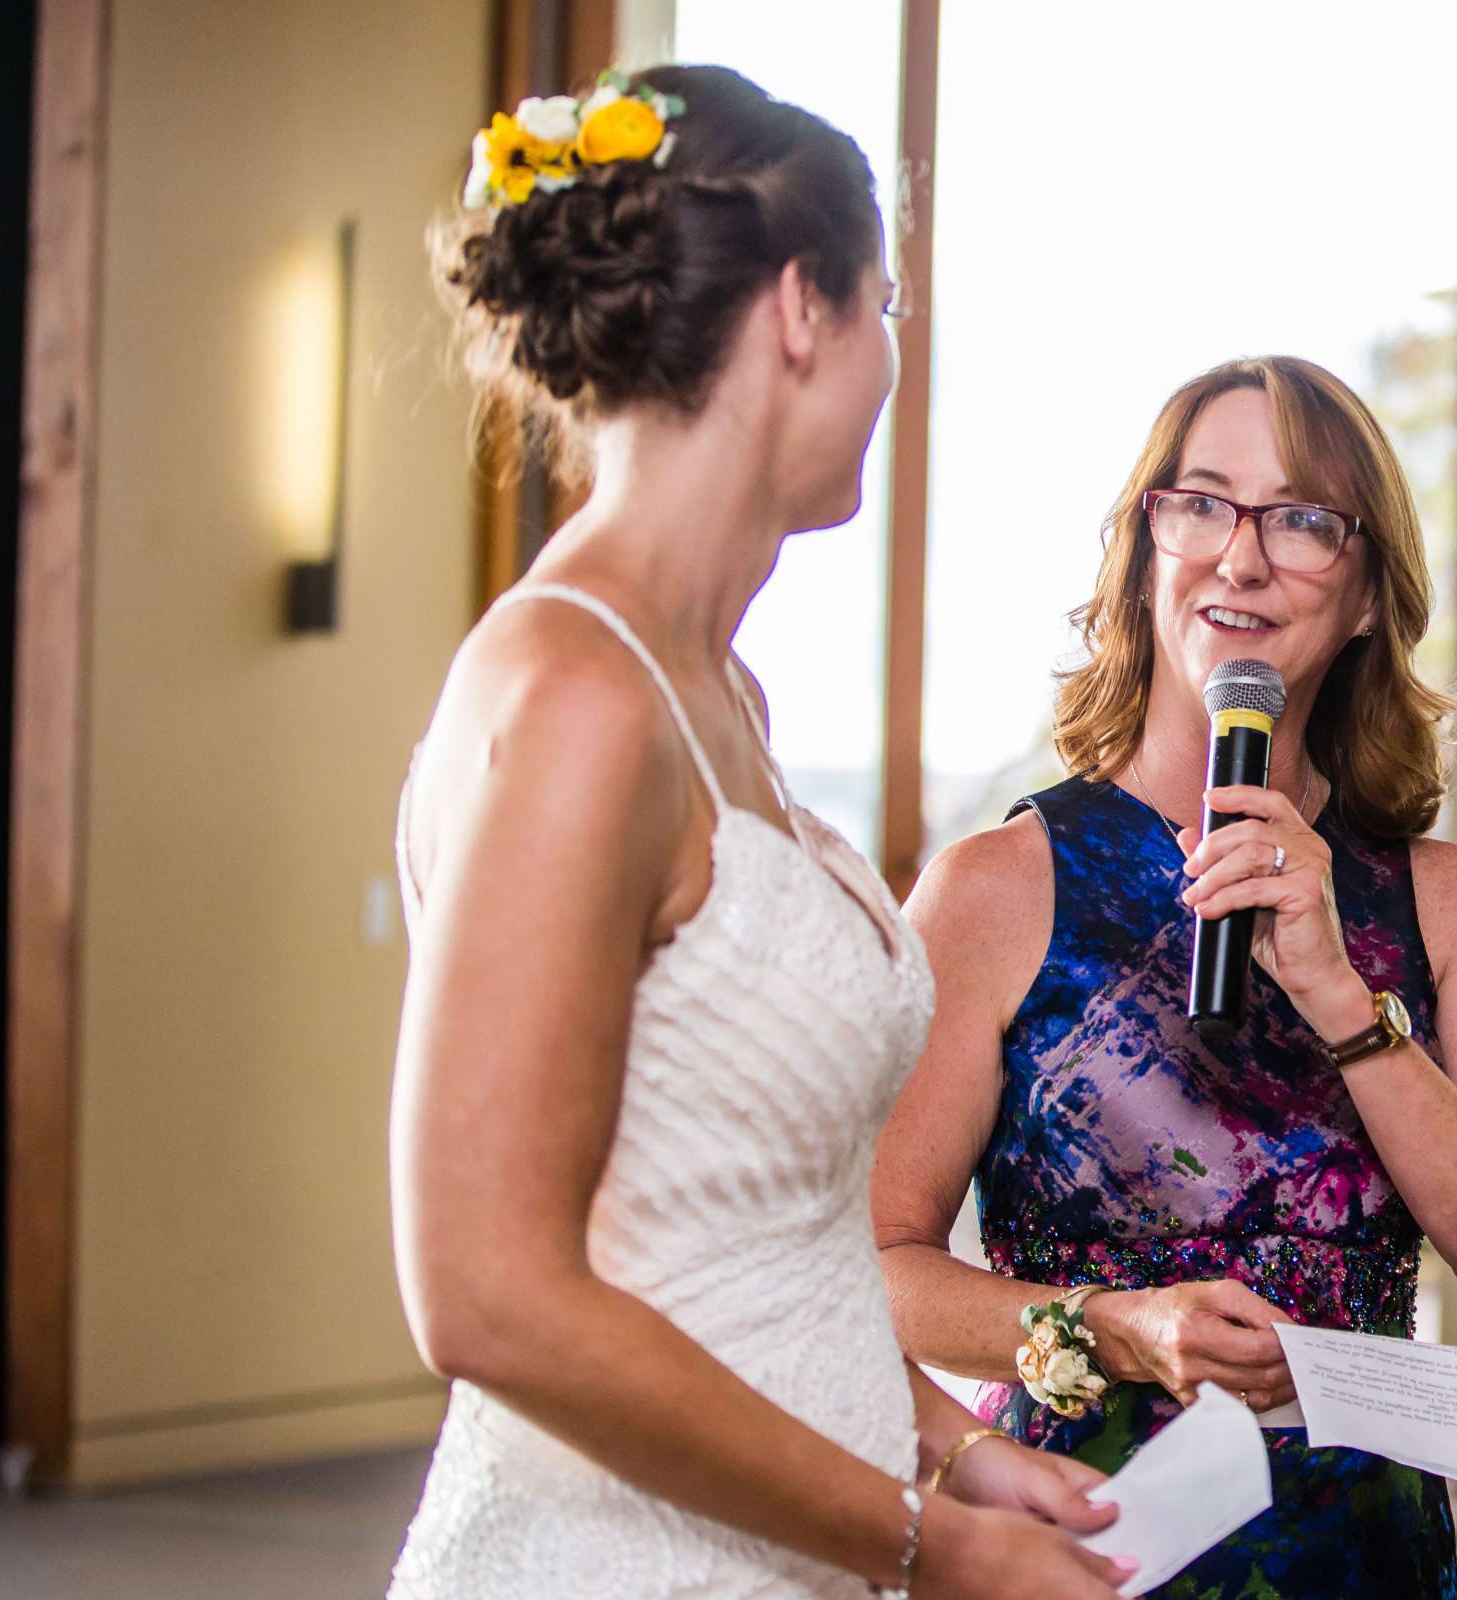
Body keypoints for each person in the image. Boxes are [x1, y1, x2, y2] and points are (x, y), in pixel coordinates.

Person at [388, 65, 1130, 1599]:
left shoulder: (717, 690)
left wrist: (949, 1444)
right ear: (802, 309)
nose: (889, 361)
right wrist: (924, 1547)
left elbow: (748, 1237)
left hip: (802, 1529)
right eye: (885, 308)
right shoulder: (577, 699)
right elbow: (488, 1297)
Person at [873, 355, 1457, 1596]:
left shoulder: (1451, 903)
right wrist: (1116, 1325)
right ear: (1146, 549)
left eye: (1304, 520)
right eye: (1200, 503)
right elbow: (876, 1270)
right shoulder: (994, 888)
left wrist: (1341, 1003)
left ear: (1367, 597)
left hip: (1364, 1557)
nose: (1241, 557)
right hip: (1086, 1539)